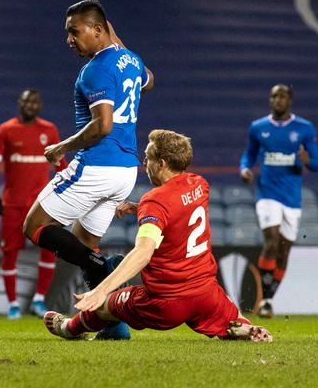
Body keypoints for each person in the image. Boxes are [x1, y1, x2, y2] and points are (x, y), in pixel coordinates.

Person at [43, 129, 273, 342]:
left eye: (148, 158)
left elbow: (144, 251)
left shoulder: (155, 201)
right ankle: (244, 329)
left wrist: (100, 289)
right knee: (231, 320)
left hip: (166, 301)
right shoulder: (199, 184)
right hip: (207, 292)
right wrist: (140, 208)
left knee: (105, 306)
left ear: (161, 163)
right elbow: (179, 213)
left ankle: (68, 328)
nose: (144, 163)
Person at [22, 0, 154, 339]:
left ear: (98, 30)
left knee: (34, 225)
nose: (69, 39)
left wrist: (60, 147)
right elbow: (150, 80)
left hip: (96, 165)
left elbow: (103, 125)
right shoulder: (132, 61)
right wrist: (119, 45)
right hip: (126, 173)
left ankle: (102, 267)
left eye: (75, 32)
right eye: (67, 33)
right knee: (84, 242)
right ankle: (111, 325)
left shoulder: (94, 70)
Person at [239, 84, 318, 318]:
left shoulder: (304, 128)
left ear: (290, 100)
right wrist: (245, 169)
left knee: (283, 253)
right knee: (271, 242)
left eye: (281, 96)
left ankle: (268, 299)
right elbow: (249, 154)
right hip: (267, 194)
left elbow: (315, 163)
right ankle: (265, 300)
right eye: (273, 96)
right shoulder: (258, 128)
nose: (277, 100)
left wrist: (307, 160)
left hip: (292, 198)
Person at [0, 89, 68, 319]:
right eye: (26, 101)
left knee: (49, 250)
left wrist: (67, 192)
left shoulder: (49, 130)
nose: (30, 105)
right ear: (19, 104)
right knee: (9, 252)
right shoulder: (6, 129)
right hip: (12, 204)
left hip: (41, 205)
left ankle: (39, 300)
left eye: (35, 101)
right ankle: (13, 305)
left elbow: (61, 165)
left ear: (40, 105)